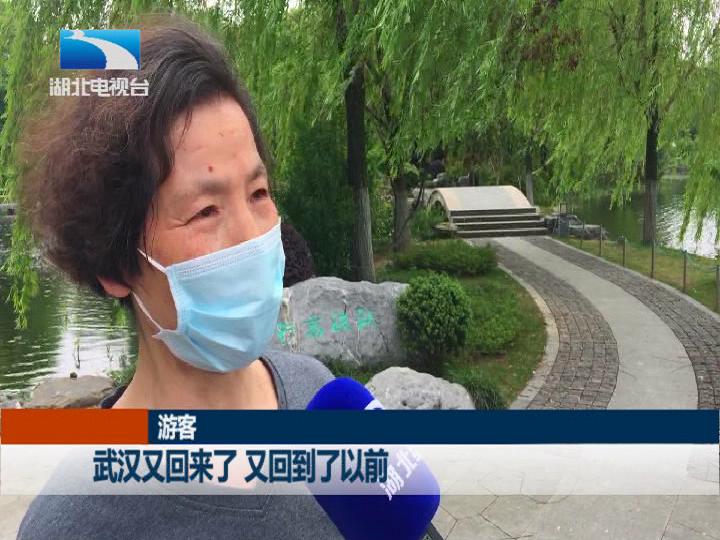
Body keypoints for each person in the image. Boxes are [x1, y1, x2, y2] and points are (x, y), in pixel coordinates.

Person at [16, 15, 345, 540]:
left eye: (258, 194)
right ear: (116, 264)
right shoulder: (76, 523)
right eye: (205, 211)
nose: (253, 237)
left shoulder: (320, 396)